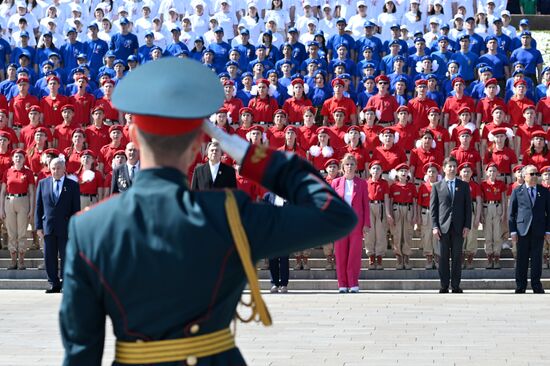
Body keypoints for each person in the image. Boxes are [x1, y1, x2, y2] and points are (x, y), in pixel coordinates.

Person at [59, 58, 356, 364]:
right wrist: (241, 148)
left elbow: (80, 353)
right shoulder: (229, 215)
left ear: (132, 136)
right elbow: (334, 215)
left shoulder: (90, 227)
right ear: (199, 146)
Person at [35, 157, 80, 293]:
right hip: (48, 226)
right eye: (53, 168)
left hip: (65, 226)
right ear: (50, 168)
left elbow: (76, 208)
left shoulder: (72, 185)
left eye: (59, 168)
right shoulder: (43, 183)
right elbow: (39, 206)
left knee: (66, 256)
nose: (56, 171)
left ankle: (66, 283)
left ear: (64, 168)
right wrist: (38, 226)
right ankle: (53, 283)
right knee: (49, 256)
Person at [431, 156, 472, 293]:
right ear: (444, 168)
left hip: (459, 227)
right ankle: (443, 285)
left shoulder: (464, 186)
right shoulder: (437, 186)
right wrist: (435, 226)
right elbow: (434, 209)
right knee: (442, 257)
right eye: (450, 166)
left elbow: (468, 208)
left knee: (456, 257)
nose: (452, 169)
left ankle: (455, 285)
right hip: (443, 227)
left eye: (454, 166)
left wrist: (467, 226)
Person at [331, 154, 371, 293]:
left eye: (352, 164)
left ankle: (353, 283)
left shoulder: (361, 183)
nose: (349, 166)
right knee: (341, 254)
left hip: (356, 223)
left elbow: (365, 204)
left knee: (354, 254)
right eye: (347, 164)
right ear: (343, 166)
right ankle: (342, 284)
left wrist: (366, 223)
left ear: (356, 166)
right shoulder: (335, 183)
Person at [509, 164, 550, 294]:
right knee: (522, 258)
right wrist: (513, 231)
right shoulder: (517, 191)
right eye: (531, 174)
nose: (534, 177)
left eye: (536, 174)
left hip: (538, 229)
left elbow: (549, 212)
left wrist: (548, 231)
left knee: (537, 259)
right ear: (524, 176)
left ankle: (536, 285)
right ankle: (520, 285)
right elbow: (512, 213)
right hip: (522, 230)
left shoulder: (543, 191)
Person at [0, 149, 35, 270]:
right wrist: (1, 209)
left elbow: (31, 192)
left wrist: (31, 209)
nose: (18, 159)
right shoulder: (8, 172)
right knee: (11, 233)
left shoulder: (28, 173)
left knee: (22, 233)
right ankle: (13, 260)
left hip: (23, 200)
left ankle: (21, 260)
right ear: (13, 158)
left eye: (20, 157)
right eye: (16, 157)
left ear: (24, 159)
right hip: (9, 201)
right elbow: (3, 191)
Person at [264, 191, 290, 293]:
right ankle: (274, 283)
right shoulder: (268, 196)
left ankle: (284, 284)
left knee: (284, 260)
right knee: (272, 259)